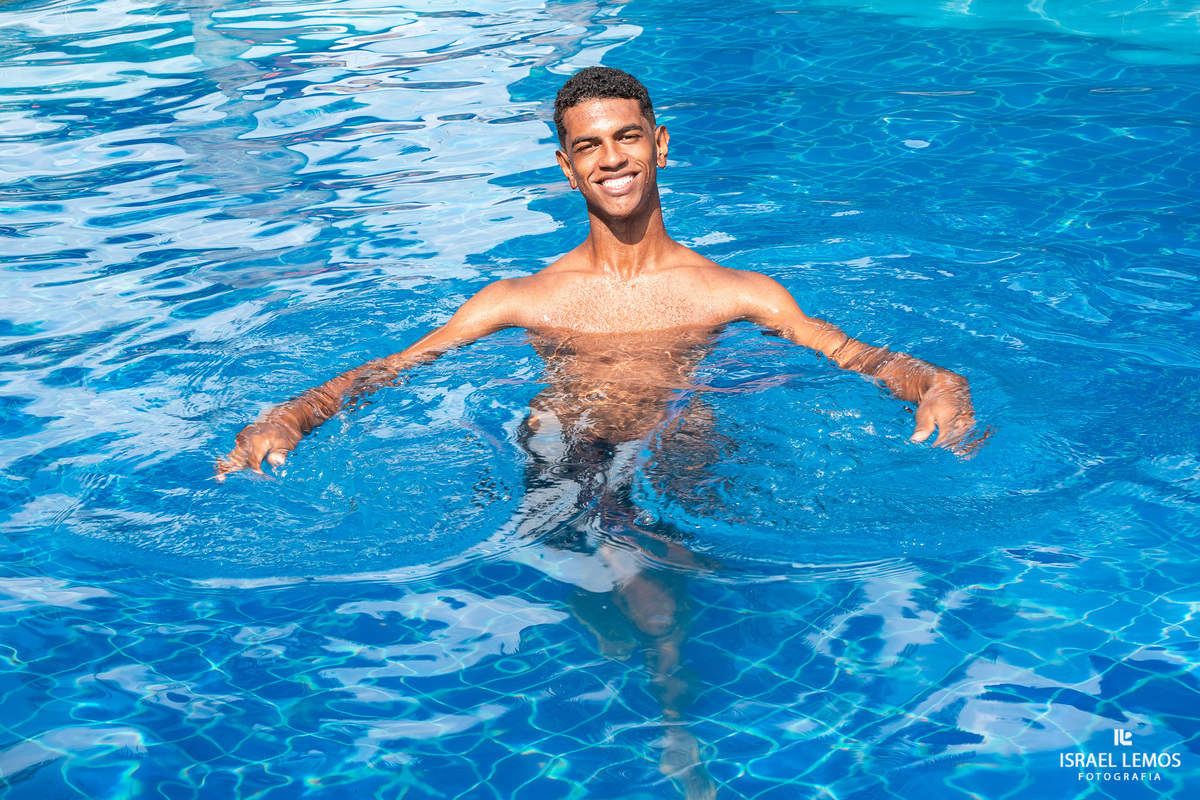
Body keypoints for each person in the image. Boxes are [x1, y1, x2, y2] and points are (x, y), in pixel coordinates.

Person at [216, 67, 985, 799]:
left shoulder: (732, 292)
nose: (611, 159)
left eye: (626, 137)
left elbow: (855, 355)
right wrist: (289, 417)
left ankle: (670, 705)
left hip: (677, 449)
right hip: (565, 453)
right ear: (565, 166)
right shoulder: (523, 298)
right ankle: (661, 687)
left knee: (660, 536)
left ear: (659, 144)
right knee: (618, 554)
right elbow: (389, 371)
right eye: (589, 146)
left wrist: (937, 384)